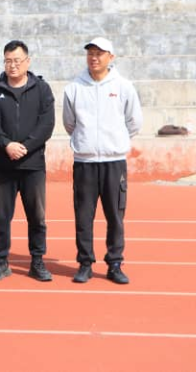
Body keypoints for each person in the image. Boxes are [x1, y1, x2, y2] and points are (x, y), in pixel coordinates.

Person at [63, 37, 142, 284]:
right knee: (83, 216)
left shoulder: (124, 87)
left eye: (99, 53)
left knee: (115, 216)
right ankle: (85, 263)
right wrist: (86, 142)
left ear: (111, 57)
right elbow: (69, 123)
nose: (94, 58)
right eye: (90, 53)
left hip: (114, 162)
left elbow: (134, 122)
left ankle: (115, 263)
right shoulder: (74, 88)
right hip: (84, 163)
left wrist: (115, 142)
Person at [0, 41, 55, 282]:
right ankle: (1, 261)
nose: (12, 65)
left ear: (27, 62)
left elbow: (46, 124)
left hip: (33, 165)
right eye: (8, 61)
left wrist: (26, 147)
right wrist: (7, 145)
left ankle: (37, 261)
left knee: (37, 216)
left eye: (17, 60)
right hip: (5, 165)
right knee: (1, 217)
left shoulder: (42, 89)